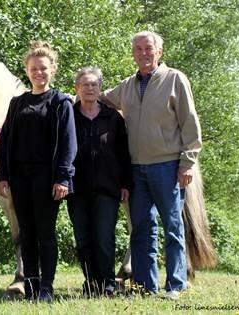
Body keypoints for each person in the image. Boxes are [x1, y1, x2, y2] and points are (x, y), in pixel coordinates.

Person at [101, 31, 202, 300]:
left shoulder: (175, 79)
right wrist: (72, 98)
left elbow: (190, 123)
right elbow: (100, 99)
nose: (143, 53)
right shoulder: (128, 85)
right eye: (138, 49)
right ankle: (146, 285)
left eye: (148, 48)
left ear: (159, 51)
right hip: (136, 168)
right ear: (133, 53)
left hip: (168, 166)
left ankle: (175, 285)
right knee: (142, 228)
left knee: (172, 227)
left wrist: (187, 163)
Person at [0, 41, 77, 303]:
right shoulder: (17, 103)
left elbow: (68, 143)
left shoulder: (60, 101)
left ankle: (47, 287)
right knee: (26, 232)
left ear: (52, 70)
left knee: (45, 232)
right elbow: (5, 140)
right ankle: (30, 285)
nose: (38, 73)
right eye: (33, 68)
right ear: (27, 71)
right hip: (20, 178)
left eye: (43, 68)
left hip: (47, 178)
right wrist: (3, 175)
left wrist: (63, 177)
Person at [67, 67, 131, 298]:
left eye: (94, 84)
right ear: (77, 88)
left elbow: (124, 154)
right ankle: (90, 282)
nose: (90, 88)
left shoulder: (112, 117)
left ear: (100, 88)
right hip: (76, 188)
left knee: (104, 237)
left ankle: (107, 283)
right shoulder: (69, 116)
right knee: (83, 239)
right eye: (85, 84)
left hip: (108, 188)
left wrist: (125, 183)